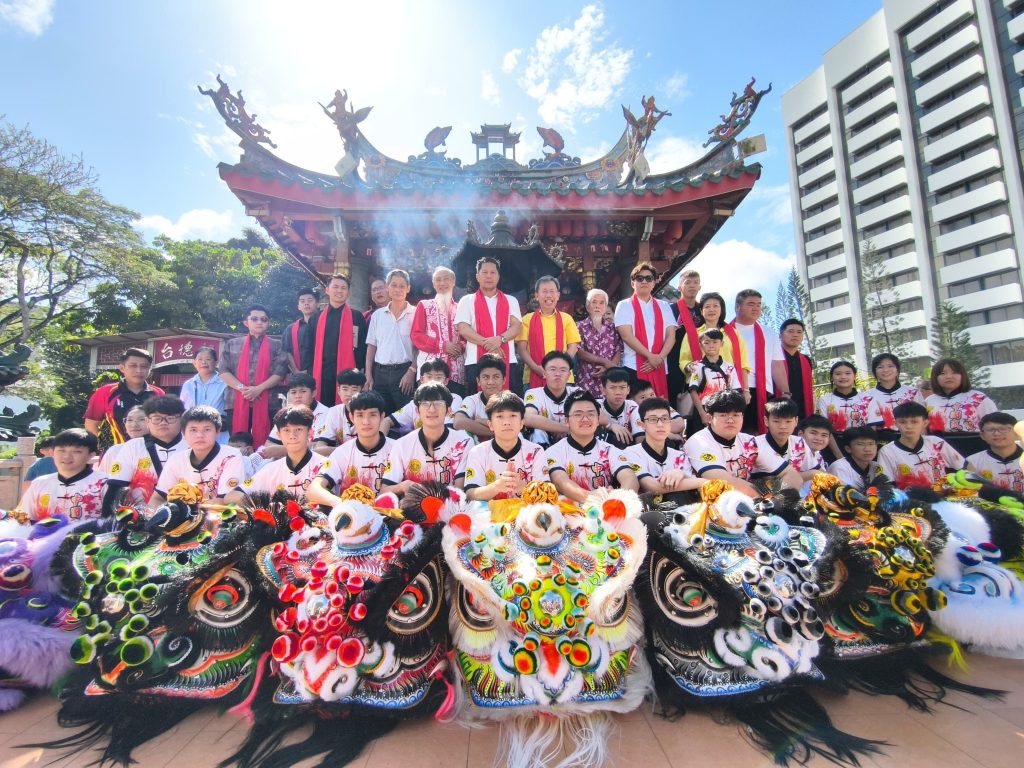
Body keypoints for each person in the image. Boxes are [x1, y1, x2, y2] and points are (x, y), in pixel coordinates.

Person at [684, 390, 802, 497]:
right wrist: (765, 500)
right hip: (707, 505)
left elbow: (792, 475)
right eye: (723, 415)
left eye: (736, 415)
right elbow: (723, 481)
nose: (730, 420)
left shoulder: (750, 442)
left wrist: (781, 500)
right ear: (709, 418)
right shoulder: (698, 441)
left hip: (750, 501)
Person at [545, 390, 638, 503]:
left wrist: (618, 499)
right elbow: (561, 483)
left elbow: (630, 478)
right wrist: (594, 498)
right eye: (578, 414)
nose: (585, 419)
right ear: (566, 420)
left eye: (591, 414)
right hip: (570, 513)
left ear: (598, 420)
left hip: (607, 510)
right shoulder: (554, 452)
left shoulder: (609, 450)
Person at [380, 382, 472, 495]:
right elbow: (384, 491)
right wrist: (403, 486)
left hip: (450, 507)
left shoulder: (464, 442)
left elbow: (460, 491)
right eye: (425, 404)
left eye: (438, 403)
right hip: (411, 509)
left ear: (449, 410)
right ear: (417, 411)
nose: (432, 409)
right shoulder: (402, 445)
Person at [219, 304, 290, 448]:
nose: (259, 322)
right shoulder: (232, 344)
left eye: (264, 319)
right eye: (255, 319)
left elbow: (280, 372)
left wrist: (258, 389)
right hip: (236, 400)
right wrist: (243, 388)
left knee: (268, 444)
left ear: (268, 323)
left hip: (269, 402)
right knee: (237, 444)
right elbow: (223, 371)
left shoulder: (277, 345)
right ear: (246, 322)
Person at [228, 405, 325, 503]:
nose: (292, 436)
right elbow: (232, 496)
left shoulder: (324, 465)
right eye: (286, 430)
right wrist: (268, 506)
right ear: (279, 435)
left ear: (309, 432)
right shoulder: (271, 469)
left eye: (299, 429)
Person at [723, 290, 789, 435]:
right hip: (733, 389)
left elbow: (777, 365)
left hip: (762, 390)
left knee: (759, 434)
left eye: (759, 305)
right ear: (737, 307)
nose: (756, 308)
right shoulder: (723, 332)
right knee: (734, 433)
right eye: (751, 304)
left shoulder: (769, 333)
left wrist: (786, 393)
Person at [463, 391, 548, 501]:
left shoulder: (536, 451)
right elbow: (470, 494)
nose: (506, 422)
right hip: (489, 515)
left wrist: (523, 487)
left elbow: (547, 493)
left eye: (513, 415)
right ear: (490, 424)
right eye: (500, 416)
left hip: (526, 515)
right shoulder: (477, 452)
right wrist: (497, 486)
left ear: (522, 423)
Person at [308, 391, 395, 499]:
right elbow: (315, 488)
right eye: (360, 415)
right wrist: (341, 504)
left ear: (382, 416)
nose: (366, 422)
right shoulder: (342, 452)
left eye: (372, 415)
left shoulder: (396, 449)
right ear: (352, 417)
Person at [455, 256, 523, 394]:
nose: (489, 276)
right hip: (475, 361)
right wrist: (491, 344)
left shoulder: (511, 300)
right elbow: (463, 329)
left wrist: (500, 339)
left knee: (508, 403)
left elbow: (517, 327)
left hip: (507, 360)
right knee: (477, 403)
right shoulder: (467, 300)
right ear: (477, 276)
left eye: (493, 272)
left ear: (498, 276)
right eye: (484, 272)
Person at [152, 406, 246, 504]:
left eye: (207, 429)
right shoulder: (176, 460)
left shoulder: (230, 456)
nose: (199, 435)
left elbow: (225, 500)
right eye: (193, 430)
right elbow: (158, 498)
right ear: (183, 433)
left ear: (217, 432)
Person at [14, 429, 113, 522]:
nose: (67, 456)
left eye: (76, 451)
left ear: (90, 455)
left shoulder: (105, 483)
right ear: (52, 453)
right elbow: (23, 519)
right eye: (61, 451)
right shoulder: (39, 483)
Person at [106, 395, 188, 504]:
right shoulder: (133, 446)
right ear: (147, 421)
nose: (163, 423)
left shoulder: (192, 445)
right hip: (141, 516)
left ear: (182, 420)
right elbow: (115, 487)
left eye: (170, 418)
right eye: (156, 418)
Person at [614, 261, 676, 399]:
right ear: (632, 283)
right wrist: (650, 356)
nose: (644, 281)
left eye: (649, 278)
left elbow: (671, 336)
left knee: (659, 406)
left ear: (654, 283)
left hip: (660, 365)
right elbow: (627, 336)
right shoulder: (624, 305)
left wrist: (658, 358)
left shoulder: (664, 306)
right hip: (634, 366)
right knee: (636, 409)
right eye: (640, 278)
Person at [84, 348, 165, 446]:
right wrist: (102, 448)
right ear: (122, 368)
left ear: (150, 369)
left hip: (151, 452)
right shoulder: (105, 392)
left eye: (144, 366)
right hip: (116, 453)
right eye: (133, 366)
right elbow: (91, 425)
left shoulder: (158, 393)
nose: (138, 370)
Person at [623, 397, 703, 495]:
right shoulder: (631, 453)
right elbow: (652, 487)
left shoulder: (680, 455)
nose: (660, 424)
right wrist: (706, 482)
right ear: (641, 424)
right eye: (653, 419)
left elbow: (694, 487)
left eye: (665, 419)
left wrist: (681, 474)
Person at [877, 402, 967, 489]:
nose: (908, 426)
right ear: (895, 423)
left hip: (943, 497)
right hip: (910, 501)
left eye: (914, 422)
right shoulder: (887, 451)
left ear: (925, 423)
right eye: (903, 422)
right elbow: (887, 486)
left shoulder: (937, 443)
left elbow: (963, 468)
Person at [365, 268, 417, 413]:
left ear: (408, 289)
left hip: (404, 372)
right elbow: (371, 347)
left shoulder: (416, 313)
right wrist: (369, 375)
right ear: (388, 287)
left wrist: (412, 371)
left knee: (406, 418)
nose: (397, 289)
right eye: (393, 285)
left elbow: (420, 346)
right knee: (381, 415)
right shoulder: (377, 315)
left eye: (402, 286)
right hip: (380, 373)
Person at [312, 274, 368, 407]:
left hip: (348, 375)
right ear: (327, 290)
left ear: (348, 292)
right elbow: (309, 347)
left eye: (343, 288)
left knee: (348, 408)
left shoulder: (356, 316)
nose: (339, 291)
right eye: (335, 287)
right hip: (322, 372)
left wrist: (358, 370)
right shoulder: (316, 318)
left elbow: (361, 346)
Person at [516, 275, 581, 389]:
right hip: (533, 375)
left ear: (558, 295)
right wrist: (536, 368)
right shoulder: (527, 319)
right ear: (536, 295)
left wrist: (559, 367)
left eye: (552, 291)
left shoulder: (567, 318)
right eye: (544, 291)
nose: (548, 295)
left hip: (563, 376)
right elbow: (521, 349)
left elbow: (573, 346)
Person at [410, 266, 465, 395]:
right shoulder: (424, 305)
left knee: (454, 409)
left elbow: (466, 337)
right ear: (434, 284)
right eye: (438, 280)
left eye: (446, 279)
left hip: (456, 370)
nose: (442, 283)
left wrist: (459, 347)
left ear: (453, 282)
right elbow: (416, 335)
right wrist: (443, 346)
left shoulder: (461, 308)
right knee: (429, 407)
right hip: (430, 372)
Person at [383, 360, 462, 436]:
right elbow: (387, 421)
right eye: (429, 377)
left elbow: (446, 429)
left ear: (446, 381)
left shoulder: (454, 399)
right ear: (421, 380)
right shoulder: (415, 402)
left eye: (438, 377)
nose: (433, 381)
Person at [260, 373, 331, 458]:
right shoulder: (285, 413)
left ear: (313, 393)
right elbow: (269, 445)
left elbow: (317, 446)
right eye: (293, 392)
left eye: (303, 391)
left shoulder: (326, 413)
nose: (297, 396)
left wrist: (284, 450)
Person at [753, 398, 823, 482]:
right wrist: (811, 474)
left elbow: (819, 472)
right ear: (766, 421)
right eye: (776, 421)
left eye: (788, 421)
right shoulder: (755, 444)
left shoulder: (799, 443)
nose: (783, 426)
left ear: (796, 421)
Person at [925, 358, 997, 434]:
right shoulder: (929, 401)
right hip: (937, 444)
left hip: (973, 443)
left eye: (954, 372)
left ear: (962, 375)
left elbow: (995, 424)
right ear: (935, 377)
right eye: (942, 373)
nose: (949, 376)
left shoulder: (978, 398)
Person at [688, 329, 743, 428]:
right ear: (700, 345)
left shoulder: (729, 368)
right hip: (703, 408)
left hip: (724, 411)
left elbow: (736, 391)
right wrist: (702, 413)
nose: (711, 345)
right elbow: (693, 390)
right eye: (707, 343)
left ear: (722, 344)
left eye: (715, 342)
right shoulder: (697, 367)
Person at [523, 351, 579, 446]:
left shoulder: (577, 392)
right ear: (544, 373)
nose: (558, 374)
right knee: (537, 431)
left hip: (572, 444)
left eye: (563, 370)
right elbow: (528, 418)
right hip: (545, 442)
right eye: (553, 369)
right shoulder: (533, 393)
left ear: (569, 375)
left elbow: (600, 416)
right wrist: (565, 428)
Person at [576, 288, 623, 398]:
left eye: (602, 303)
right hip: (587, 378)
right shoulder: (579, 326)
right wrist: (606, 362)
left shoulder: (613, 327)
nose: (598, 306)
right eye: (594, 302)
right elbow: (580, 352)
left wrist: (608, 367)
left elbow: (618, 350)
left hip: (610, 378)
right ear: (588, 306)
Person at [669, 269, 703, 415]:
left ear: (700, 287)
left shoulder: (704, 309)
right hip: (675, 362)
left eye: (696, 282)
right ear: (679, 287)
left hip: (699, 362)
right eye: (687, 282)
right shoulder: (670, 309)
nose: (692, 286)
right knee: (676, 401)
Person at [862, 353, 924, 432]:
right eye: (880, 367)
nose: (886, 370)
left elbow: (922, 419)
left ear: (897, 369)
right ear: (875, 371)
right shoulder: (866, 396)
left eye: (890, 366)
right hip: (878, 440)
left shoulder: (913, 392)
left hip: (910, 437)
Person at [452, 354, 507, 440]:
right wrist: (498, 433)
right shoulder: (472, 400)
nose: (491, 382)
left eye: (496, 377)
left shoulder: (514, 401)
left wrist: (481, 422)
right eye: (486, 377)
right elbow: (458, 422)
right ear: (478, 381)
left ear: (504, 380)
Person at [180, 347, 228, 442]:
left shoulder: (225, 382)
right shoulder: (188, 384)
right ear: (194, 363)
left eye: (208, 359)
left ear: (216, 362)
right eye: (200, 359)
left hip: (219, 432)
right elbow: (182, 408)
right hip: (194, 433)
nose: (204, 362)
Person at [967, 412, 1023, 492]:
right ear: (982, 435)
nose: (997, 433)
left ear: (1016, 433)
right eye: (990, 429)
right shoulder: (973, 462)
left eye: (1003, 429)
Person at [315, 369, 367, 451]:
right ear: (339, 391)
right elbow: (320, 447)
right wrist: (345, 452)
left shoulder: (370, 412)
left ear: (362, 391)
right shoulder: (334, 412)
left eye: (354, 389)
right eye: (345, 389)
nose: (349, 394)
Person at [598, 367, 643, 449]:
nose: (618, 392)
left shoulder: (632, 406)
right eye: (613, 388)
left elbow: (640, 434)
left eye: (622, 387)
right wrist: (610, 426)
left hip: (629, 451)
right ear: (603, 390)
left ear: (628, 389)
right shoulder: (596, 405)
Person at [829, 427, 884, 491]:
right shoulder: (839, 468)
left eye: (871, 444)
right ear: (848, 448)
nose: (867, 449)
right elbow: (841, 496)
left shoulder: (876, 467)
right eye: (860, 444)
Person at [780, 319, 815, 419]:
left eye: (799, 332)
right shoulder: (772, 358)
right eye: (790, 331)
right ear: (781, 335)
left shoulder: (806, 360)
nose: (795, 335)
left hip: (802, 410)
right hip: (779, 409)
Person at [98, 405, 150, 473]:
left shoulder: (161, 450)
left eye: (141, 419)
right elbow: (103, 480)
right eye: (130, 420)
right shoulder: (114, 451)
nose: (134, 425)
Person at [282, 287, 320, 373]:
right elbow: (287, 351)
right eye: (302, 301)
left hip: (323, 374)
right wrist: (296, 371)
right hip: (299, 376)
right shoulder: (290, 329)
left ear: (318, 304)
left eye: (310, 300)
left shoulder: (326, 325)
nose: (306, 303)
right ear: (298, 306)